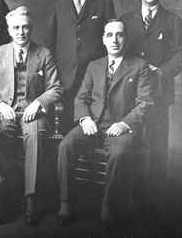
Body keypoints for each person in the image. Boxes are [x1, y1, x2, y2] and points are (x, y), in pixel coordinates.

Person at [56, 19, 154, 228]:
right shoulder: (95, 65)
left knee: (118, 153)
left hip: (121, 128)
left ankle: (107, 206)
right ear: (103, 39)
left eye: (119, 34)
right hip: (93, 124)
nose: (114, 40)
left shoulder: (139, 66)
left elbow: (145, 103)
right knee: (65, 145)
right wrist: (85, 119)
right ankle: (65, 203)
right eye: (109, 35)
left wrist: (124, 124)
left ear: (125, 38)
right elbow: (80, 98)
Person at [0, 6, 63, 226]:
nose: (21, 32)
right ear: (9, 29)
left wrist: (38, 102)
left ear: (31, 28)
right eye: (16, 27)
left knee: (34, 137)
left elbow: (56, 88)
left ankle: (30, 198)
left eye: (25, 27)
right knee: (0, 135)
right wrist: (0, 104)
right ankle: (7, 192)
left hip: (33, 112)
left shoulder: (43, 53)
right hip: (6, 111)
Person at [121, 0, 182, 214]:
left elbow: (180, 54)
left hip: (159, 91)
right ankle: (132, 194)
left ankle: (156, 198)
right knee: (133, 140)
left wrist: (162, 71)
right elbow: (119, 51)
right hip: (132, 93)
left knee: (158, 143)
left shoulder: (173, 20)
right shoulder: (126, 20)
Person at [46, 0, 116, 131]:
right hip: (64, 78)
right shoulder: (58, 5)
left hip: (95, 78)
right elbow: (49, 44)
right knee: (64, 129)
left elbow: (113, 40)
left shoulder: (104, 2)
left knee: (93, 128)